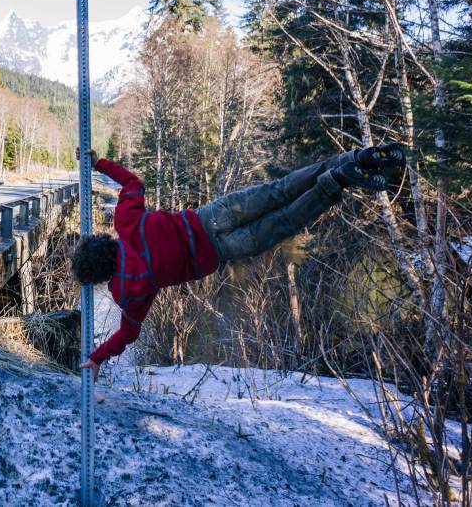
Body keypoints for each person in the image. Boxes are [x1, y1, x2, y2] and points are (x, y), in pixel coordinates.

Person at [73, 144, 406, 380]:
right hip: (210, 217)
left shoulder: (126, 291)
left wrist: (97, 357)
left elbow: (128, 334)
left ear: (98, 276)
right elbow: (133, 183)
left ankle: (337, 182)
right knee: (281, 189)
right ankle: (352, 159)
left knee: (285, 222)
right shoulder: (126, 224)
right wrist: (99, 163)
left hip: (222, 250)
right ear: (102, 243)